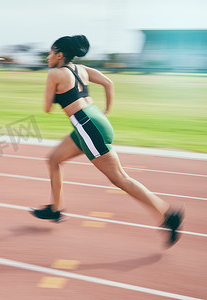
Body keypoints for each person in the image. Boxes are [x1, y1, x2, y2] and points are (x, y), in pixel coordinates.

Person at [30, 35, 183, 246]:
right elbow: (108, 83)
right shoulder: (81, 69)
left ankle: (168, 213)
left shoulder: (55, 74)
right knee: (54, 159)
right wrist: (107, 111)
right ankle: (55, 209)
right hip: (93, 121)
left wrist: (52, 93)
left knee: (120, 179)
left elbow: (47, 109)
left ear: (59, 55)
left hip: (87, 126)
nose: (47, 57)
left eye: (50, 53)